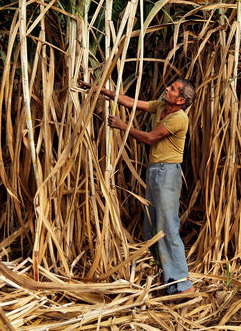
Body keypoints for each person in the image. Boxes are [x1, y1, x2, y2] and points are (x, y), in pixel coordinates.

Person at [81, 77, 196, 295]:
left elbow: (150, 138)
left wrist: (123, 126)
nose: (166, 88)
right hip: (155, 171)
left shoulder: (179, 119)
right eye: (168, 85)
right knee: (151, 228)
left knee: (168, 228)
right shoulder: (161, 106)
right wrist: (101, 90)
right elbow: (130, 102)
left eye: (172, 89)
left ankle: (183, 284)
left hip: (168, 173)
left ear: (181, 100)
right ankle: (169, 279)